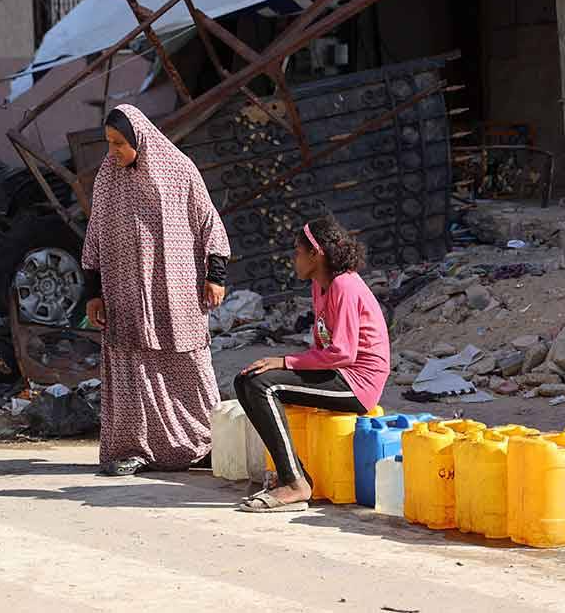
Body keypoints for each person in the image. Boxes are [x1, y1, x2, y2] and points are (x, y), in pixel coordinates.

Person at [82, 104, 231, 476]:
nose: (113, 151)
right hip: (125, 296)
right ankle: (134, 450)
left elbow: (209, 222)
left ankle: (206, 444)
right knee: (133, 371)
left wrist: (216, 275)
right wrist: (94, 291)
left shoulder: (180, 171)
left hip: (176, 295)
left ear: (140, 140)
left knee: (191, 369)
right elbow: (96, 236)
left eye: (119, 144)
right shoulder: (106, 178)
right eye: (109, 144)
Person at [235, 215, 390, 512]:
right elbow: (322, 345)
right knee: (247, 379)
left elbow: (343, 352)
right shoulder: (320, 286)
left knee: (261, 385)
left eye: (297, 251)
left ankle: (294, 483)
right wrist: (285, 365)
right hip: (336, 372)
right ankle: (293, 474)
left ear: (315, 254)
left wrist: (285, 361)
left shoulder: (345, 286)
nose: (294, 259)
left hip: (358, 384)